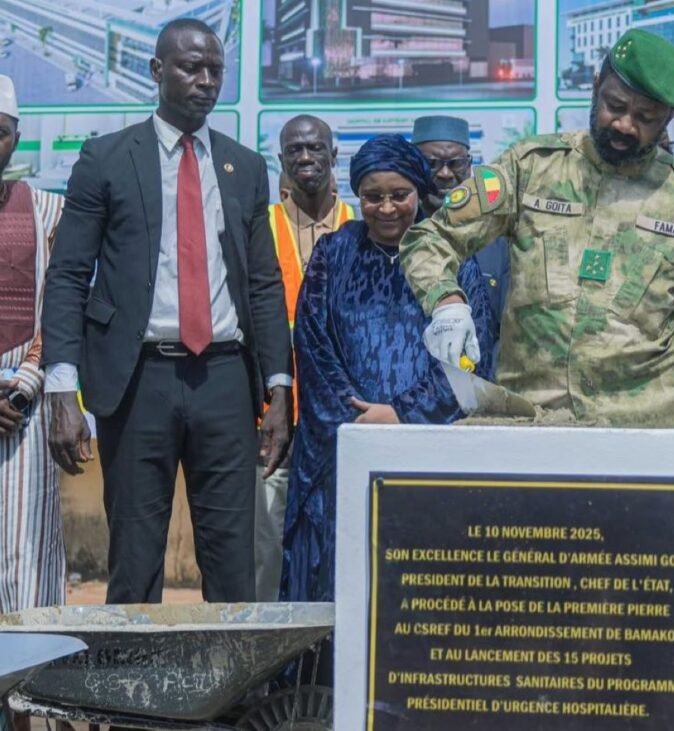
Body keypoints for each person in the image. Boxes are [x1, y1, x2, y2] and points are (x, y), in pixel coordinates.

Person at [41, 19, 293, 605]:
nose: (205, 82)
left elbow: (262, 282)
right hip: (138, 379)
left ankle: (232, 698)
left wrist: (279, 386)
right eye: (190, 68)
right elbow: (70, 276)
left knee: (233, 562)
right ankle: (133, 693)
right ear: (157, 71)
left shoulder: (244, 167)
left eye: (215, 71)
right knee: (134, 559)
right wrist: (62, 387)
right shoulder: (105, 159)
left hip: (225, 380)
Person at [401, 29, 674, 431]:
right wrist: (446, 301)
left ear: (669, 119)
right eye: (615, 106)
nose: (624, 125)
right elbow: (431, 239)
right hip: (531, 426)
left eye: (645, 118)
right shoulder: (531, 168)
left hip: (645, 440)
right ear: (594, 88)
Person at [280, 134, 494, 603]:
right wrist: (358, 418)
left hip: (430, 454)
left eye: (400, 195)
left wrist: (401, 413)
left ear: (418, 192)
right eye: (373, 197)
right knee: (344, 581)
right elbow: (313, 346)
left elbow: (470, 359)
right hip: (344, 449)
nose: (387, 208)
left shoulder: (454, 260)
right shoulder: (334, 254)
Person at [255, 114, 355, 602]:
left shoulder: (359, 225)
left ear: (334, 156)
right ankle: (268, 674)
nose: (306, 158)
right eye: (295, 150)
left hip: (340, 419)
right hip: (271, 416)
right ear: (281, 159)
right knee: (268, 549)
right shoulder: (261, 226)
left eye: (316, 148)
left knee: (340, 546)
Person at [0, 75, 66, 617]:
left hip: (23, 407)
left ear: (16, 138)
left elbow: (63, 306)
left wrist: (25, 384)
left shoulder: (49, 212)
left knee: (24, 558)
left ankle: (23, 701)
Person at [412, 115, 511, 338]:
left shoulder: (498, 241)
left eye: (455, 163)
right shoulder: (398, 237)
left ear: (469, 166)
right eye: (431, 164)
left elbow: (507, 328)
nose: (445, 174)